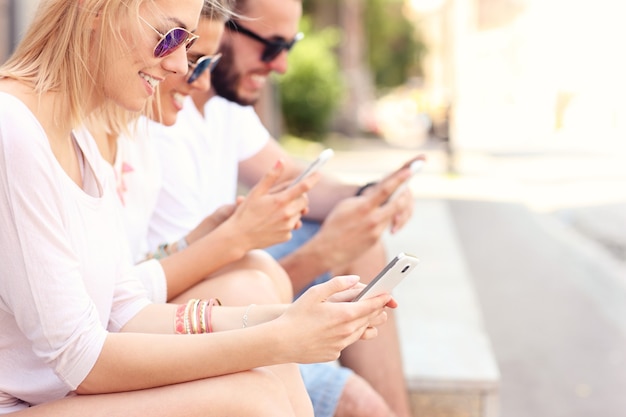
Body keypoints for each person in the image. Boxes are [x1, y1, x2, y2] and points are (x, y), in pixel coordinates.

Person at [0, 0, 394, 415]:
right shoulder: (15, 130)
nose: (179, 67)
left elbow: (124, 309)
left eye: (187, 45)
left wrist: (296, 318)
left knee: (262, 377)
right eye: (168, 37)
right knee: (253, 397)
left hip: (58, 395)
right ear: (96, 12)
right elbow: (82, 360)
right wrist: (282, 337)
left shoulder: (76, 130)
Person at [146, 1, 424, 416]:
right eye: (272, 46)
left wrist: (375, 192)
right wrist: (320, 255)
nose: (281, 66)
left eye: (289, 45)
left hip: (222, 285)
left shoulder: (222, 106)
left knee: (360, 239)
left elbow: (300, 180)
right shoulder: (159, 117)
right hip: (190, 308)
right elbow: (186, 300)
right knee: (358, 404)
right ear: (223, 25)